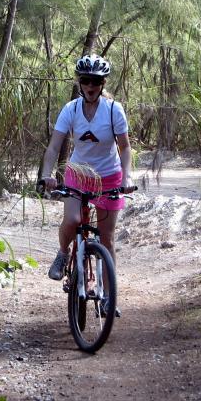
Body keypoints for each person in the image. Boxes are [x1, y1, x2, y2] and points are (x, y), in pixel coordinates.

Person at [39, 55, 133, 314]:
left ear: (102, 84)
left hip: (109, 176)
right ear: (79, 83)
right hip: (78, 175)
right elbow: (54, 146)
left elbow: (124, 148)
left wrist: (127, 178)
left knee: (107, 238)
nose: (90, 86)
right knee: (71, 221)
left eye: (95, 81)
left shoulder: (114, 110)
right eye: (85, 81)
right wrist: (48, 175)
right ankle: (63, 253)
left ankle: (108, 296)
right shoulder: (70, 110)